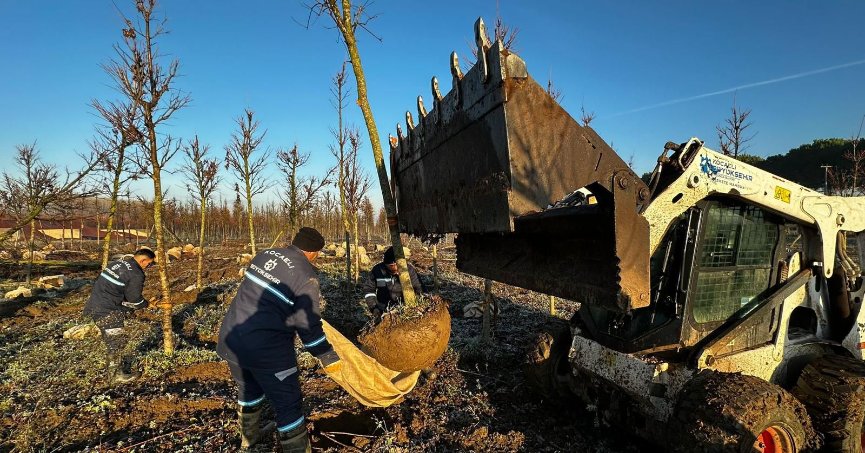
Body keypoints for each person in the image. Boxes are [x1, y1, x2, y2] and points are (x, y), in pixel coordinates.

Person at [217, 227, 340, 452]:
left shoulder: (264, 255)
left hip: (232, 338)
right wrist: (325, 353)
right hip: (268, 350)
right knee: (288, 403)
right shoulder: (306, 275)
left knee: (248, 389)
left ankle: (249, 441)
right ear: (314, 252)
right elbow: (307, 323)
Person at [83, 248, 155, 384]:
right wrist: (146, 304)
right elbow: (134, 299)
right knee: (117, 341)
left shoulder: (117, 264)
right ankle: (115, 376)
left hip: (94, 305)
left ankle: (113, 371)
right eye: (149, 264)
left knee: (112, 341)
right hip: (108, 310)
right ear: (143, 260)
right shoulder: (136, 274)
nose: (148, 267)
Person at [362, 246, 424, 319]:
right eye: (391, 266)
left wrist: (416, 305)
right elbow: (369, 290)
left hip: (405, 309)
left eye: (396, 264)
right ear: (385, 264)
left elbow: (419, 288)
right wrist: (374, 308)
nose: (395, 268)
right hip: (383, 309)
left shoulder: (408, 270)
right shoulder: (377, 270)